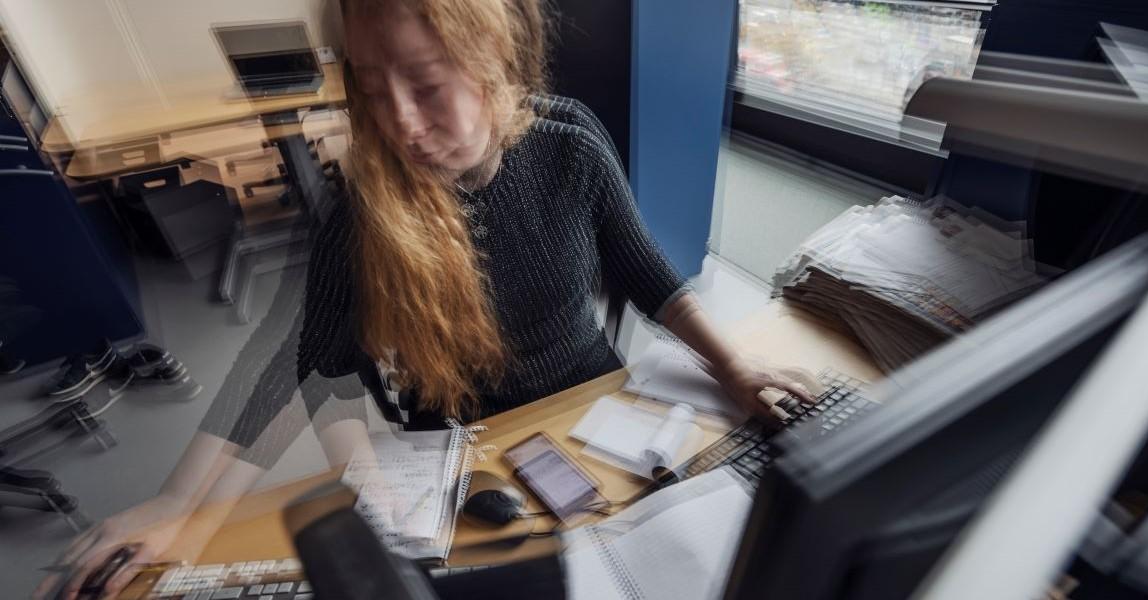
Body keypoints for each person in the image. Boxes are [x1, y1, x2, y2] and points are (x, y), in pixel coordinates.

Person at [36, 0, 813, 597]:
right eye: (372, 90)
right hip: (465, 453)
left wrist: (733, 363)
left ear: (494, 58)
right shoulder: (370, 208)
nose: (400, 123)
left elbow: (649, 277)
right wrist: (180, 504)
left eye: (428, 84)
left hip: (589, 412)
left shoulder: (570, 142)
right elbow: (291, 365)